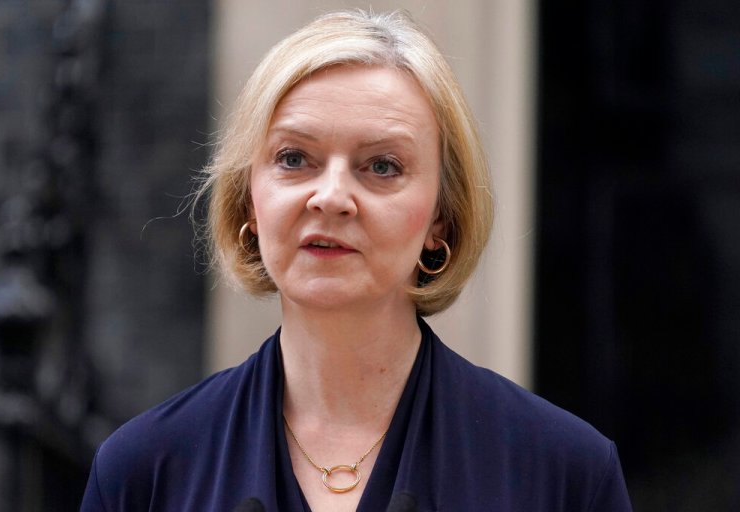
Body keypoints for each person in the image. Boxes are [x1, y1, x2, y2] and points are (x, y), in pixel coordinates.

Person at [80, 10, 632, 512]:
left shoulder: (564, 474)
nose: (331, 197)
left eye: (382, 166)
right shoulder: (143, 472)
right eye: (294, 159)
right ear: (249, 199)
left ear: (441, 219)